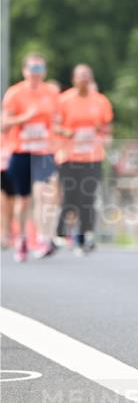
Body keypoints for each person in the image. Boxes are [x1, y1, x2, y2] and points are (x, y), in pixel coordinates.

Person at [1, 53, 59, 261]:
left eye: (40, 70)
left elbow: (56, 120)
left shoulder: (51, 93)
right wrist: (25, 118)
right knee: (23, 200)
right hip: (21, 152)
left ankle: (43, 239)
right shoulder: (14, 94)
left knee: (43, 193)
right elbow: (3, 125)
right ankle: (22, 240)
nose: (36, 74)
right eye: (33, 69)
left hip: (43, 152)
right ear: (25, 71)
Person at [54, 64, 113, 255]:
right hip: (69, 155)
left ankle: (86, 235)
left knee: (87, 196)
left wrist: (104, 136)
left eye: (87, 76)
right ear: (74, 79)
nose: (84, 80)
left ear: (91, 79)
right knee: (71, 196)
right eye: (80, 76)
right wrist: (67, 132)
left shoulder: (101, 101)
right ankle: (60, 234)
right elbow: (54, 126)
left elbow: (107, 127)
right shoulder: (64, 100)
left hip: (92, 155)